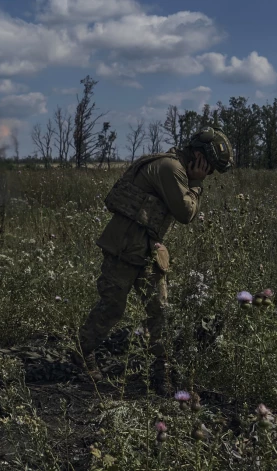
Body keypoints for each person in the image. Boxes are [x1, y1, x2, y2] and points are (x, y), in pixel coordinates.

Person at [72, 126, 234, 395]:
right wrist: (196, 185)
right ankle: (82, 352)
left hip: (147, 251)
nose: (210, 174)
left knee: (159, 311)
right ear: (199, 156)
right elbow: (185, 212)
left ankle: (162, 371)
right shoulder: (171, 168)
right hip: (124, 249)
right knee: (112, 306)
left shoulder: (175, 167)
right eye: (210, 168)